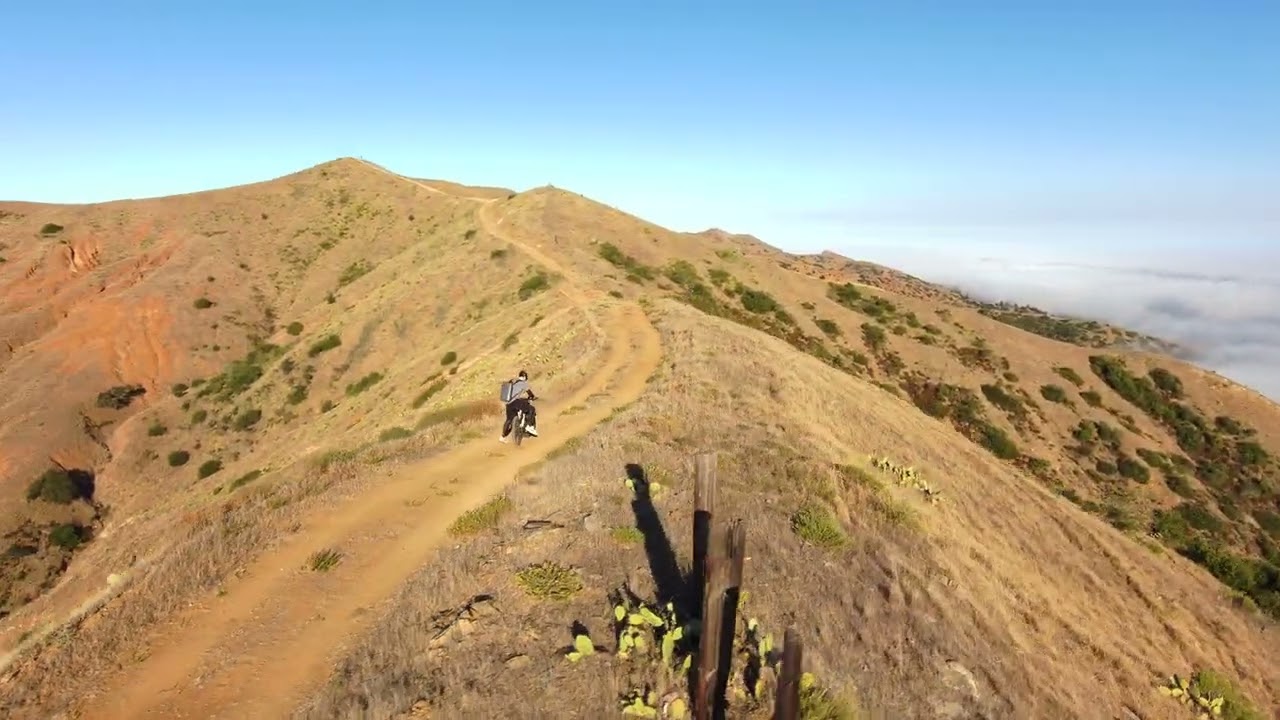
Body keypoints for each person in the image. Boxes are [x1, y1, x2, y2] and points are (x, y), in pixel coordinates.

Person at [500, 370, 538, 442]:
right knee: (531, 409)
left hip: (508, 403)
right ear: (524, 377)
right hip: (516, 402)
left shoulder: (513, 382)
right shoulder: (523, 383)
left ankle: (503, 437)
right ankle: (529, 426)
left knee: (509, 420)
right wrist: (532, 397)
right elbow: (529, 393)